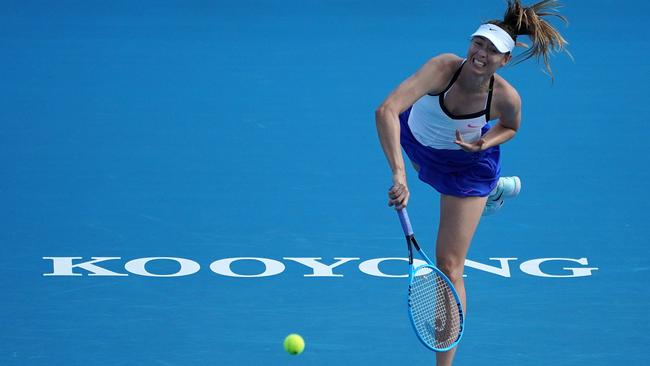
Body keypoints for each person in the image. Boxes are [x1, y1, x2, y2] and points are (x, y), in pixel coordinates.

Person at [375, 0, 569, 364]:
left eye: (492, 50)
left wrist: (484, 142)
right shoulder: (442, 67)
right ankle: (493, 191)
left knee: (449, 266)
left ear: (505, 60)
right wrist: (399, 174)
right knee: (420, 171)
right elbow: (386, 110)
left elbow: (511, 126)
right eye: (478, 43)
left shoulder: (506, 98)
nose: (481, 53)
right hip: (418, 144)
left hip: (467, 167)